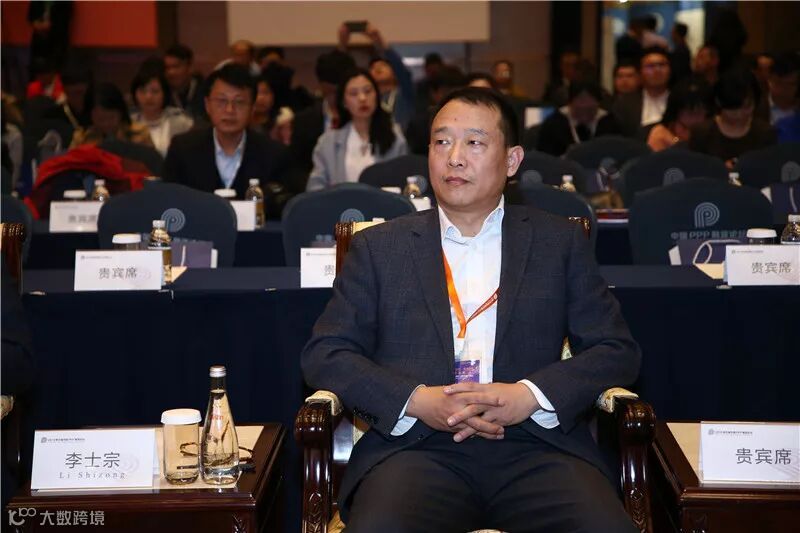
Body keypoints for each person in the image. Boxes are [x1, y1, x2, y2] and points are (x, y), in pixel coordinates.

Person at [302, 87, 641, 532]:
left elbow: (616, 349)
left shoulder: (557, 242)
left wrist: (529, 396)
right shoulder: (380, 247)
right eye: (442, 142)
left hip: (537, 450)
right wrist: (415, 400)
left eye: (474, 142)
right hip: (416, 453)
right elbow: (326, 353)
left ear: (512, 160)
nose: (454, 158)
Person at [163, 64, 290, 199]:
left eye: (239, 102)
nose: (229, 110)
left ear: (252, 108)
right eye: (221, 101)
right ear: (207, 105)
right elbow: (169, 201)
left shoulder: (274, 154)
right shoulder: (183, 149)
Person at [306, 68, 407, 191]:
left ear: (376, 95)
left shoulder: (395, 137)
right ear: (344, 102)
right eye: (354, 93)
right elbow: (315, 187)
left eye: (368, 91)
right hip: (340, 203)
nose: (362, 98)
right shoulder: (328, 142)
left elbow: (403, 182)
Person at [690, 68, 777, 169]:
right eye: (733, 110)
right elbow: (695, 171)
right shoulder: (702, 133)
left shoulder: (765, 133)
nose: (740, 115)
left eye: (747, 107)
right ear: (719, 102)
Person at [337, 22, 415, 130]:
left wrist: (379, 41)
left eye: (383, 66)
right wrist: (342, 44)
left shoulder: (404, 95)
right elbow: (342, 80)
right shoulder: (366, 99)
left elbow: (403, 72)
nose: (377, 69)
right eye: (373, 67)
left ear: (394, 74)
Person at [290, 50, 356, 176]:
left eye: (340, 93)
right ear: (320, 85)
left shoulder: (362, 119)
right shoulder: (303, 121)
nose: (336, 99)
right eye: (331, 92)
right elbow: (296, 168)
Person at [536, 80, 621, 156]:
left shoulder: (610, 123)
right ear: (570, 103)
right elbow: (544, 156)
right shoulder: (554, 124)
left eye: (590, 107)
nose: (584, 106)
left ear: (598, 104)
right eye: (580, 101)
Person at [129, 66, 193, 156]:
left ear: (165, 94)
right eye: (142, 91)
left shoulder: (181, 122)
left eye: (155, 91)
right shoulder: (128, 123)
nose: (148, 97)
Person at [70, 82, 152, 148]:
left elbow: (152, 161)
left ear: (121, 113)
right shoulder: (82, 137)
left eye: (111, 118)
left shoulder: (139, 133)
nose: (106, 123)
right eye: (101, 119)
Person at [612, 47, 671, 138]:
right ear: (640, 72)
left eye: (662, 65)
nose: (657, 70)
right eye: (650, 66)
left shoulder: (680, 101)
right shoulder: (625, 103)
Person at [406, 66, 466, 155]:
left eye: (458, 94)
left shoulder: (470, 120)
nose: (452, 99)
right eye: (447, 92)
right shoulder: (419, 124)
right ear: (433, 93)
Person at [647, 80, 710, 151]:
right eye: (692, 112)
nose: (700, 117)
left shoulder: (710, 133)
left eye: (703, 111)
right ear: (676, 111)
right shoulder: (660, 134)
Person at [756, 52, 799, 125]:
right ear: (772, 78)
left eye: (793, 84)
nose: (797, 89)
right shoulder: (757, 109)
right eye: (792, 84)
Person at [163, 44, 205, 119]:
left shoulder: (205, 91)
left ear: (190, 67)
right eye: (167, 68)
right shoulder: (164, 94)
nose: (171, 72)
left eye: (176, 67)